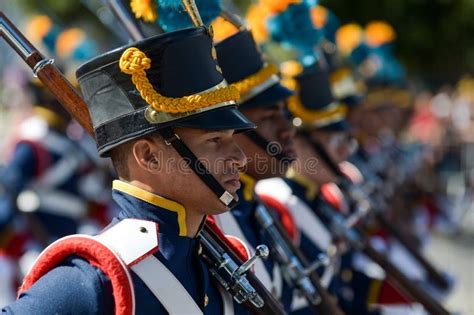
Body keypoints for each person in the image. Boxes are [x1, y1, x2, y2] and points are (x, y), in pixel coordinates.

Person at [2, 25, 258, 314]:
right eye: (214, 140)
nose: (239, 158)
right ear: (148, 156)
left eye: (232, 138)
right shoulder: (90, 281)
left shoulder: (217, 259)